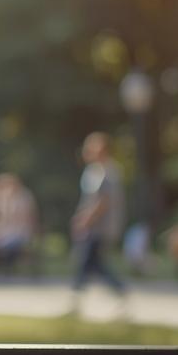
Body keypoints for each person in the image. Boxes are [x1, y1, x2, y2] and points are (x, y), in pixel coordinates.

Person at [69, 131, 127, 311]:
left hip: (101, 227)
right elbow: (89, 200)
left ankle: (77, 298)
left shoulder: (108, 172)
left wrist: (86, 220)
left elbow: (103, 202)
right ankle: (118, 291)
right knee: (93, 263)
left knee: (88, 261)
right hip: (92, 226)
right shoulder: (92, 171)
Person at [0, 172, 37, 275]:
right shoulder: (1, 198)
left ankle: (5, 269)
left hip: (19, 232)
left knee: (7, 245)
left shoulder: (24, 198)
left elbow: (25, 220)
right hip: (5, 231)